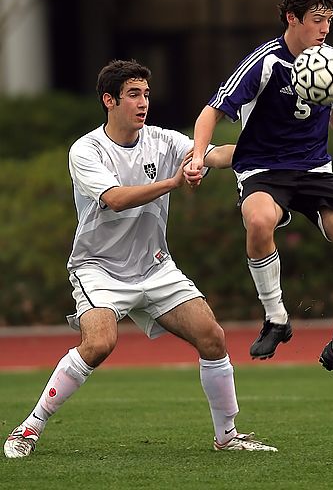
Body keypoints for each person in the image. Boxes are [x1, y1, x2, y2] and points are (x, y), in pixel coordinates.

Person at [3, 59, 277, 459]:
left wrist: (265, 152)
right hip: (98, 268)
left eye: (146, 94)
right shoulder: (87, 148)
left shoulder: (163, 141)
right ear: (109, 100)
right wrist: (173, 181)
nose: (143, 102)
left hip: (154, 265)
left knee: (213, 337)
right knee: (98, 344)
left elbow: (213, 154)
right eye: (133, 94)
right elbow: (113, 199)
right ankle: (28, 428)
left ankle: (227, 436)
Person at [186, 0, 333, 400]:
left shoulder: (328, 60)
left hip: (315, 170)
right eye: (317, 20)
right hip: (263, 168)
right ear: (292, 18)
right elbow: (210, 110)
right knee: (258, 222)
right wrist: (197, 154)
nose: (325, 29)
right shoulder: (264, 62)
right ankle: (276, 318)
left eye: (329, 20)